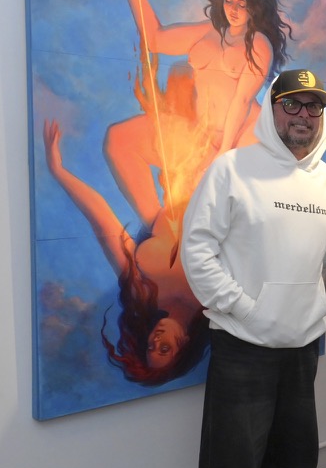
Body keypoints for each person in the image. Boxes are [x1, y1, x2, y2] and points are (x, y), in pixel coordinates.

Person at [179, 69, 326, 468]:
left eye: (313, 107)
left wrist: (308, 310)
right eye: (292, 104)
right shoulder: (232, 169)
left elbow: (319, 259)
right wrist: (244, 307)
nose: (303, 116)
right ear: (272, 110)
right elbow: (197, 248)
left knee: (294, 455)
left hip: (301, 344)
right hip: (243, 344)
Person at [108, 0, 293, 229]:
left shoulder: (258, 44)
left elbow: (241, 102)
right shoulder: (207, 32)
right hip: (204, 135)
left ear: (254, 7)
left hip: (242, 138)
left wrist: (221, 156)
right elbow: (155, 39)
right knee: (120, 138)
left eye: (242, 4)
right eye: (229, 1)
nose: (234, 10)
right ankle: (156, 227)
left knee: (222, 211)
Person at [42, 120, 208, 385]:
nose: (156, 340)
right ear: (186, 346)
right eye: (164, 348)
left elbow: (102, 222)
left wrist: (58, 171)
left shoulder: (141, 292)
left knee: (117, 142)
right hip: (211, 185)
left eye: (150, 347)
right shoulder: (216, 302)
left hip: (168, 203)